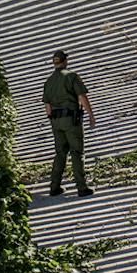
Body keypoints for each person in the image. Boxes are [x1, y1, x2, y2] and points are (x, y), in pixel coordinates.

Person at [41, 50, 95, 197]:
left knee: (60, 153)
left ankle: (54, 187)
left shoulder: (49, 81)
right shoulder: (71, 76)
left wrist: (54, 121)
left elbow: (47, 108)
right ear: (65, 61)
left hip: (56, 122)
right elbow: (82, 97)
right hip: (71, 120)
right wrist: (91, 115)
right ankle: (82, 187)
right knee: (77, 152)